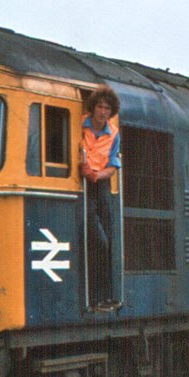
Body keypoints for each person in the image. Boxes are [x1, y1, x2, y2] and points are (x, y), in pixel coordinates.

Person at [80, 85, 121, 311]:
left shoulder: (114, 133)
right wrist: (83, 168)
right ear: (93, 107)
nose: (102, 111)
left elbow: (113, 166)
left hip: (100, 184)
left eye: (107, 108)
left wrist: (96, 175)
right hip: (82, 184)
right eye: (99, 106)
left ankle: (104, 297)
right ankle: (96, 297)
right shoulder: (81, 126)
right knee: (97, 240)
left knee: (106, 242)